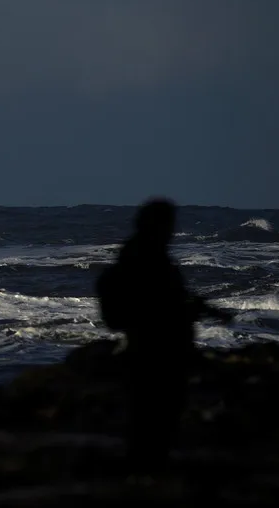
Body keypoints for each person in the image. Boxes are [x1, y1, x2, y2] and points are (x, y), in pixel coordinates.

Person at [97, 198, 233, 473]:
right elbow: (160, 303)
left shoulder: (145, 255)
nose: (171, 230)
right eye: (168, 223)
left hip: (153, 348)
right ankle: (145, 472)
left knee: (151, 416)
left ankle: (144, 470)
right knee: (155, 415)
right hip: (156, 350)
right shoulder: (146, 258)